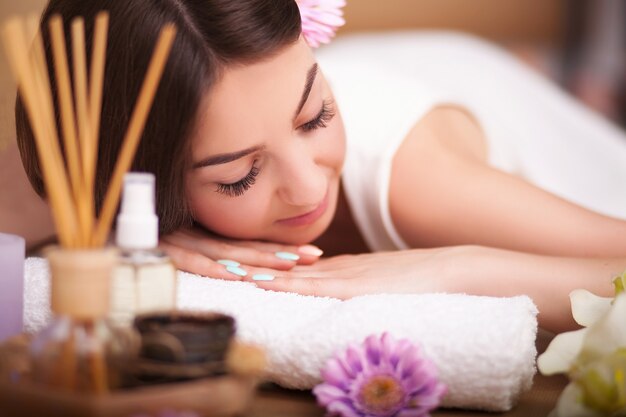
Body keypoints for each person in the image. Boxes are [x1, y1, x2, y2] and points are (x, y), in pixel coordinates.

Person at [15, 0, 626, 334]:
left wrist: (457, 265)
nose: (308, 185)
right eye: (238, 176)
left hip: (458, 86)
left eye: (315, 117)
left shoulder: (412, 176)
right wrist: (135, 240)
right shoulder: (98, 166)